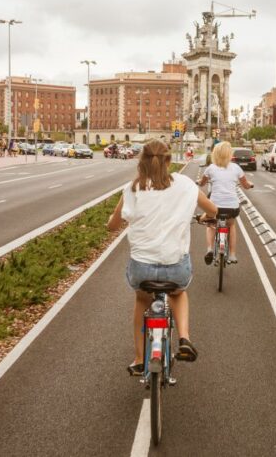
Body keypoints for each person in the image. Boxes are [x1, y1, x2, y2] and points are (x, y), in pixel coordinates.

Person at [107, 139, 217, 376]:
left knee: (141, 301)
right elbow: (213, 210)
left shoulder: (133, 188)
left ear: (141, 162)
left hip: (141, 269)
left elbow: (112, 225)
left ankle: (139, 359)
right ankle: (185, 338)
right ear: (168, 161)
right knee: (178, 293)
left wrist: (117, 221)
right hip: (175, 267)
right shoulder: (186, 184)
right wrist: (203, 217)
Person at [197, 141, 253, 265]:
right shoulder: (236, 168)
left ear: (215, 154)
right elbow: (246, 185)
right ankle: (232, 255)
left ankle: (210, 249)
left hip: (215, 207)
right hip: (232, 207)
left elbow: (202, 183)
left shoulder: (211, 168)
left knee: (211, 225)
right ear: (229, 154)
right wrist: (250, 185)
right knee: (231, 225)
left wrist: (199, 182)